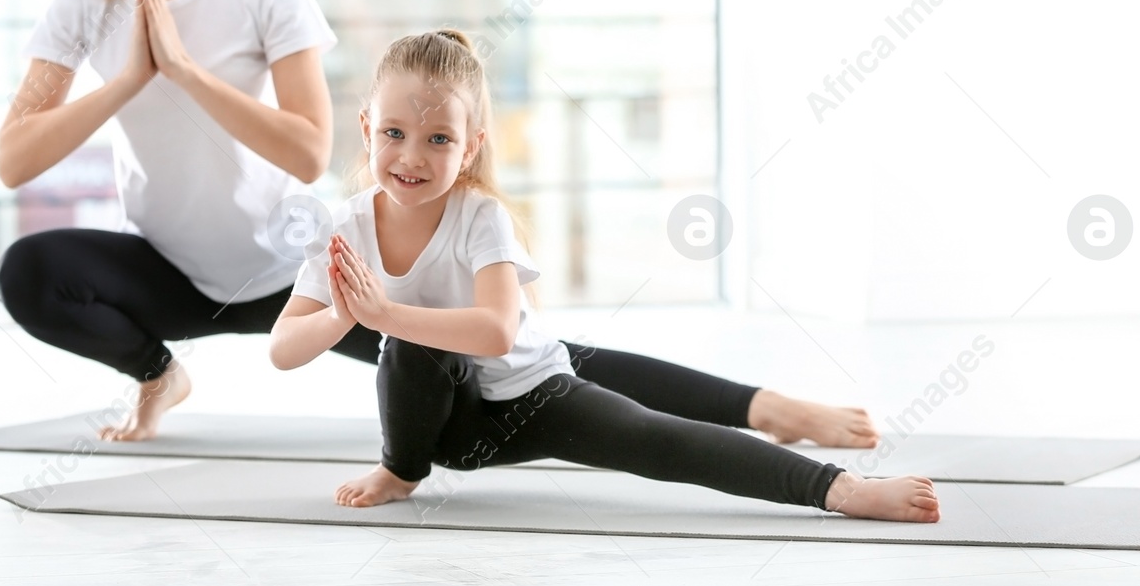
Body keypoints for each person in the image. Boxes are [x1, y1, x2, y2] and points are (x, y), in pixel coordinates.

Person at [0, 0, 882, 452]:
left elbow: (309, 150)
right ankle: (159, 375)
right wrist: (128, 79)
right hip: (168, 269)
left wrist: (187, 73)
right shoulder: (86, 1)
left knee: (533, 364)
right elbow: (15, 158)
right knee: (31, 273)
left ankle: (767, 410)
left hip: (289, 267)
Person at [270, 29, 941, 521]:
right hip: (442, 430)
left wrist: (383, 314)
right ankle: (400, 472)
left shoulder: (480, 215)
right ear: (365, 128)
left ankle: (837, 486)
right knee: (412, 347)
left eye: (438, 139)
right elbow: (283, 348)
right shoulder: (346, 226)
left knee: (646, 432)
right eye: (393, 133)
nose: (411, 156)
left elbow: (498, 332)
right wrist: (343, 315)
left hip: (526, 400)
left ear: (471, 146)